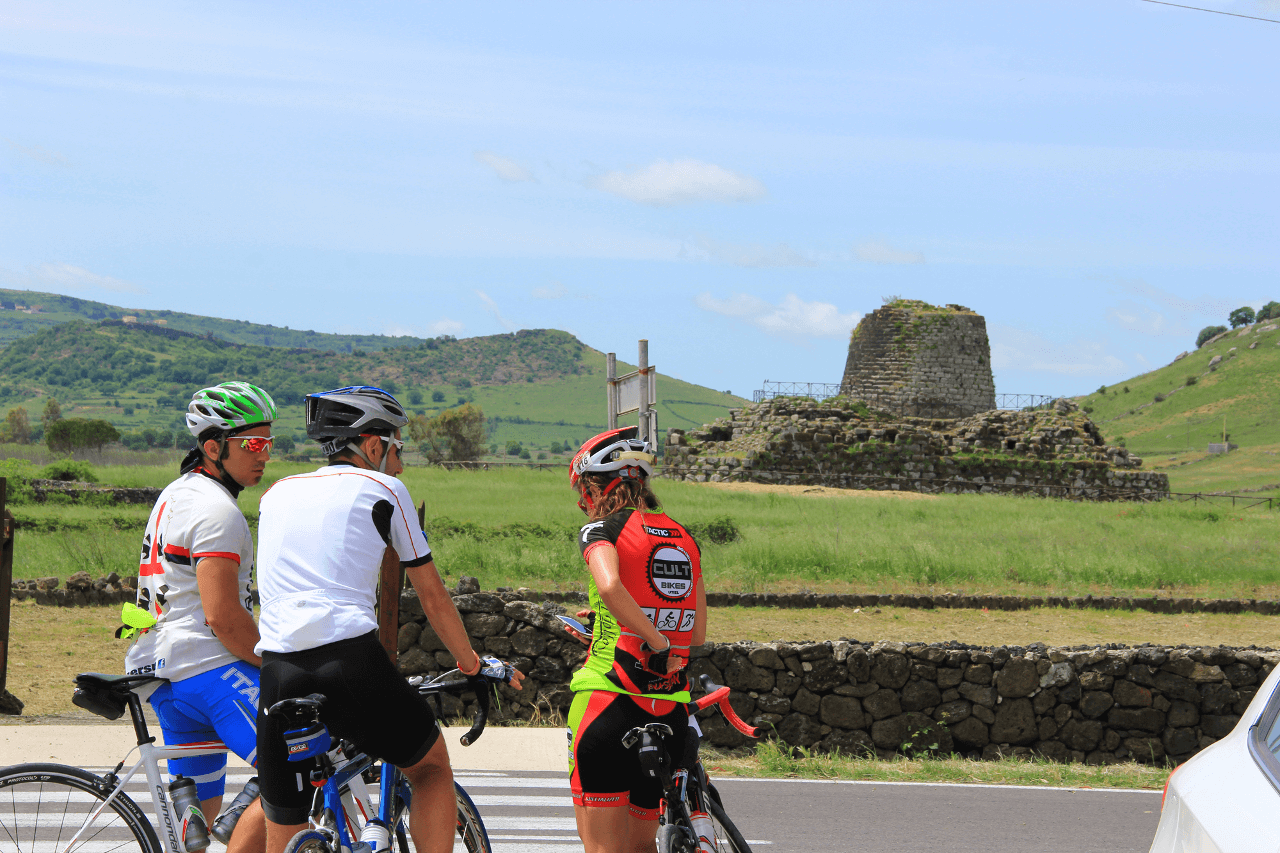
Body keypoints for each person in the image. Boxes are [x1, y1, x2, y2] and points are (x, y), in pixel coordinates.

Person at [253, 385, 523, 853]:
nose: (400, 460)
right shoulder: (385, 489)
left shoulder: (277, 492)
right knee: (431, 768)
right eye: (397, 446)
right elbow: (434, 596)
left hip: (277, 670)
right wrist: (471, 664)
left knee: (285, 824)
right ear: (372, 445)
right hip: (349, 659)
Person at [123, 381, 277, 853]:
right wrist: (274, 662)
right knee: (298, 766)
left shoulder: (176, 493)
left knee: (195, 838)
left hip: (162, 673)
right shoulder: (218, 511)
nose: (264, 455)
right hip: (208, 669)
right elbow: (224, 617)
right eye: (252, 444)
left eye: (269, 443)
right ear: (213, 446)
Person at [566, 426, 707, 853]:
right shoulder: (685, 539)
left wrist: (652, 639)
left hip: (606, 702)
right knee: (642, 847)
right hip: (669, 711)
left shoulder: (599, 531)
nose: (581, 503)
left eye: (583, 492)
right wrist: (665, 642)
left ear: (601, 486)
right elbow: (696, 630)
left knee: (603, 849)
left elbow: (610, 587)